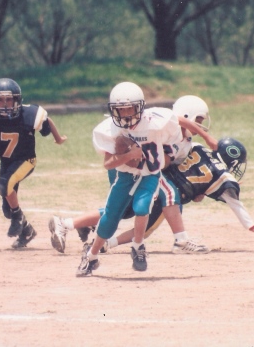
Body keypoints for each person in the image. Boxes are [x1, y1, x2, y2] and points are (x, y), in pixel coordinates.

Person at [50, 95, 219, 254]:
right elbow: (177, 123)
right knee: (168, 192)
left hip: (144, 168)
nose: (200, 125)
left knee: (125, 210)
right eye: (198, 120)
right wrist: (207, 137)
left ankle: (67, 224)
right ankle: (181, 241)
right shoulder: (161, 122)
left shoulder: (186, 144)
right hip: (125, 167)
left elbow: (168, 164)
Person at [76, 81, 182, 276]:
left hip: (150, 174)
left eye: (129, 109)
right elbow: (108, 164)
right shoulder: (109, 129)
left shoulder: (156, 121)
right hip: (125, 176)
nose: (125, 114)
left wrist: (170, 153)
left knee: (142, 208)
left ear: (140, 107)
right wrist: (128, 156)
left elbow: (177, 128)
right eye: (121, 110)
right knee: (110, 220)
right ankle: (91, 256)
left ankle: (138, 246)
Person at [101, 137, 254, 252]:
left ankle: (85, 227)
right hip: (171, 193)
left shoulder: (198, 147)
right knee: (144, 229)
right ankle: (108, 244)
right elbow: (235, 205)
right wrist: (251, 225)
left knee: (121, 210)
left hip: (158, 178)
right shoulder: (222, 175)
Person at [0, 78, 67, 248]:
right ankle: (27, 231)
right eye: (0, 100)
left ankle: (18, 217)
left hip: (26, 160)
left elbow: (47, 121)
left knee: (4, 185)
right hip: (7, 164)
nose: (5, 104)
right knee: (7, 209)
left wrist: (58, 138)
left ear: (17, 100)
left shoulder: (28, 114)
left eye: (9, 99)